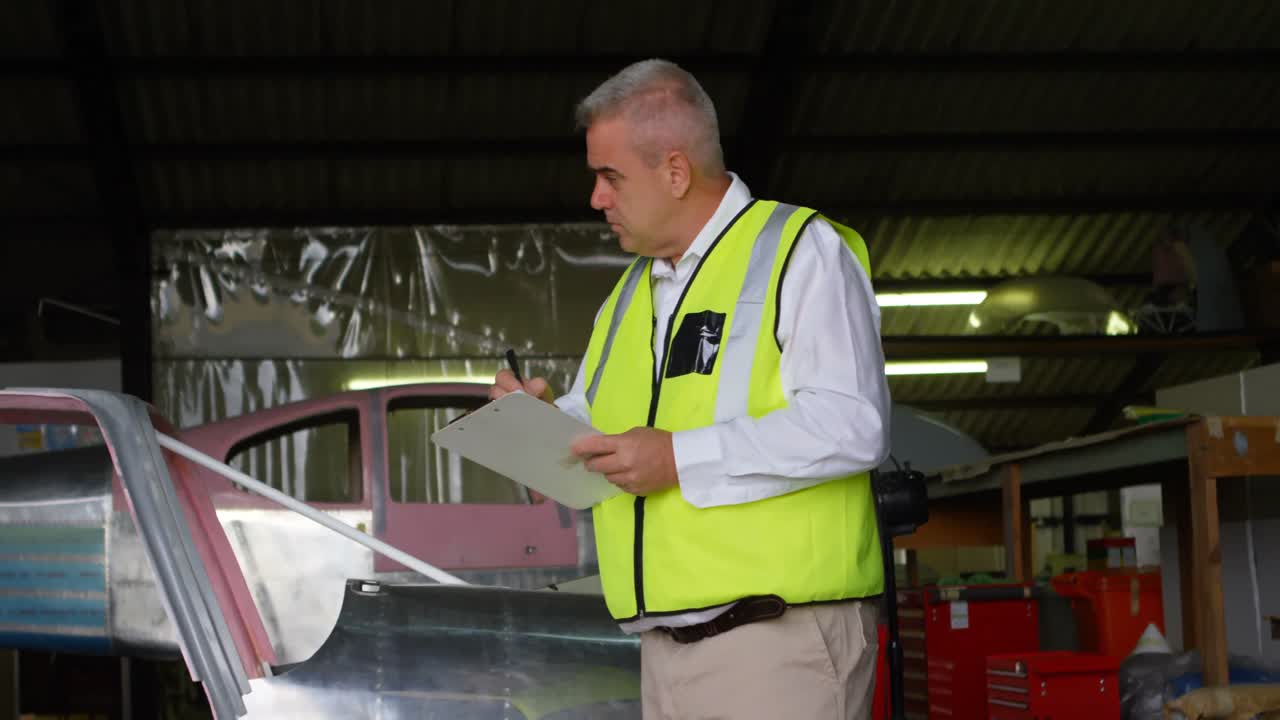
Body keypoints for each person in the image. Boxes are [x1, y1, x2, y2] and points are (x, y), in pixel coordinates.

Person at [489, 58, 891, 720]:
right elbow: (600, 430)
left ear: (676, 171)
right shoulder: (626, 299)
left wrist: (680, 458)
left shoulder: (799, 251)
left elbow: (853, 423)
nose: (596, 198)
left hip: (776, 646)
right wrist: (535, 432)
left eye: (610, 176)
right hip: (663, 649)